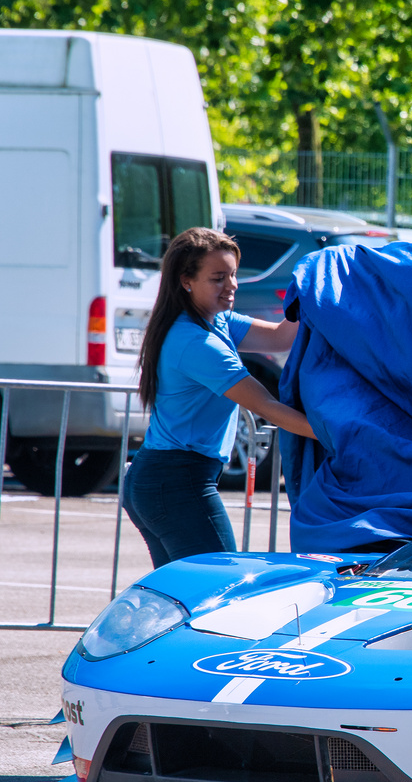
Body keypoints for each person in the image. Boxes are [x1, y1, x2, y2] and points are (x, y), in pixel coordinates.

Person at [123, 227, 317, 568]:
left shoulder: (217, 320)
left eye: (233, 275)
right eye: (218, 278)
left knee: (185, 598)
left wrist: (311, 293)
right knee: (219, 591)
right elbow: (267, 406)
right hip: (177, 481)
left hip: (163, 479)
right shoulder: (196, 343)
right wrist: (336, 434)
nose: (232, 286)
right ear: (186, 281)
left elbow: (279, 339)